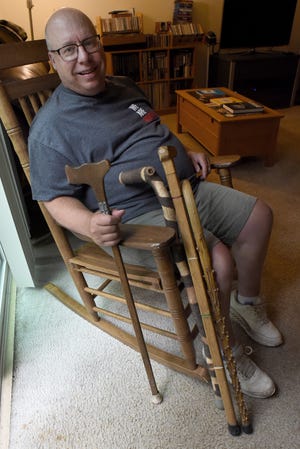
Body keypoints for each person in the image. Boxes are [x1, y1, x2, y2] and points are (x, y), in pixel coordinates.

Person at [29, 7, 283, 399]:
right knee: (217, 262)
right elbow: (52, 198)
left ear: (99, 42)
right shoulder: (49, 129)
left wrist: (188, 149)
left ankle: (246, 304)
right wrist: (87, 224)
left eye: (89, 42)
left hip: (184, 187)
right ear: (53, 59)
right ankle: (223, 351)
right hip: (139, 216)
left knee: (258, 217)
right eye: (68, 49)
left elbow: (155, 128)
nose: (84, 57)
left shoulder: (124, 84)